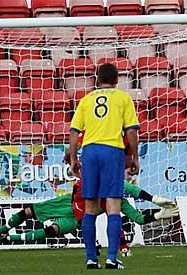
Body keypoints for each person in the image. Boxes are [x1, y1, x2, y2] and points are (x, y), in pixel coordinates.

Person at [69, 62, 140, 269]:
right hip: (112, 151)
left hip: (90, 152)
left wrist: (74, 158)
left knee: (90, 206)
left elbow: (74, 132)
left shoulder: (86, 100)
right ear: (117, 79)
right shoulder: (123, 98)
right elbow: (131, 132)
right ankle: (111, 258)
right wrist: (134, 156)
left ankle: (91, 258)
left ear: (97, 80)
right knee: (113, 206)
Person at [0, 180, 179, 255]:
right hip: (67, 203)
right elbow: (132, 188)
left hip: (78, 217)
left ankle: (6, 239)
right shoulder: (108, 182)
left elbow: (137, 218)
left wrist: (159, 214)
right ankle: (1, 229)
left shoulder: (120, 202)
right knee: (28, 212)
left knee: (52, 231)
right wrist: (154, 198)